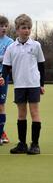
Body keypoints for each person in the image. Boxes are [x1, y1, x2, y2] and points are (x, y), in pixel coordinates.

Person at [0, 14, 45, 155]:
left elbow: (41, 65)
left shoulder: (36, 45)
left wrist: (42, 84)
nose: (26, 30)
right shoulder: (11, 48)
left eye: (29, 28)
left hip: (33, 84)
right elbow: (6, 67)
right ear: (17, 30)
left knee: (34, 113)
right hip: (19, 85)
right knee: (21, 114)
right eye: (23, 28)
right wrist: (2, 77)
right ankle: (22, 144)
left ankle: (35, 144)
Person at [0, 15, 14, 145]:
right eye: (1, 26)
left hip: (2, 76)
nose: (3, 28)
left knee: (1, 105)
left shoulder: (10, 42)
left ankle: (1, 133)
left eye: (5, 26)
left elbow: (8, 58)